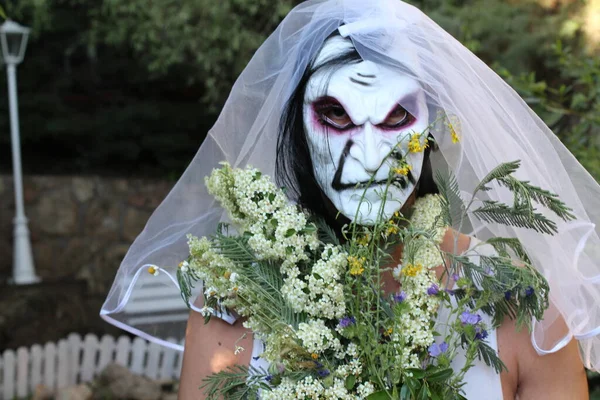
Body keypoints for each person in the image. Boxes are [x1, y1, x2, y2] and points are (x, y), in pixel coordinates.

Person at [101, 1, 600, 398]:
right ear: (296, 128)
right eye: (335, 116)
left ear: (430, 130)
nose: (365, 156)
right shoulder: (233, 306)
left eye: (394, 118)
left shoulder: (519, 308)